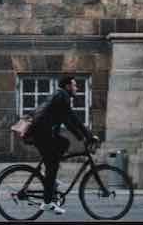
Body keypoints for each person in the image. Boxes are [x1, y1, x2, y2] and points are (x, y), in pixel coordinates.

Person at [25, 73, 95, 214]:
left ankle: (50, 175)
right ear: (68, 86)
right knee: (53, 164)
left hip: (43, 134)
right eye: (75, 85)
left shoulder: (60, 96)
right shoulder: (62, 96)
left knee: (63, 143)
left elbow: (68, 121)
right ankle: (47, 203)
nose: (77, 88)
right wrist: (87, 136)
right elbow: (72, 118)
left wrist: (83, 137)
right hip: (42, 135)